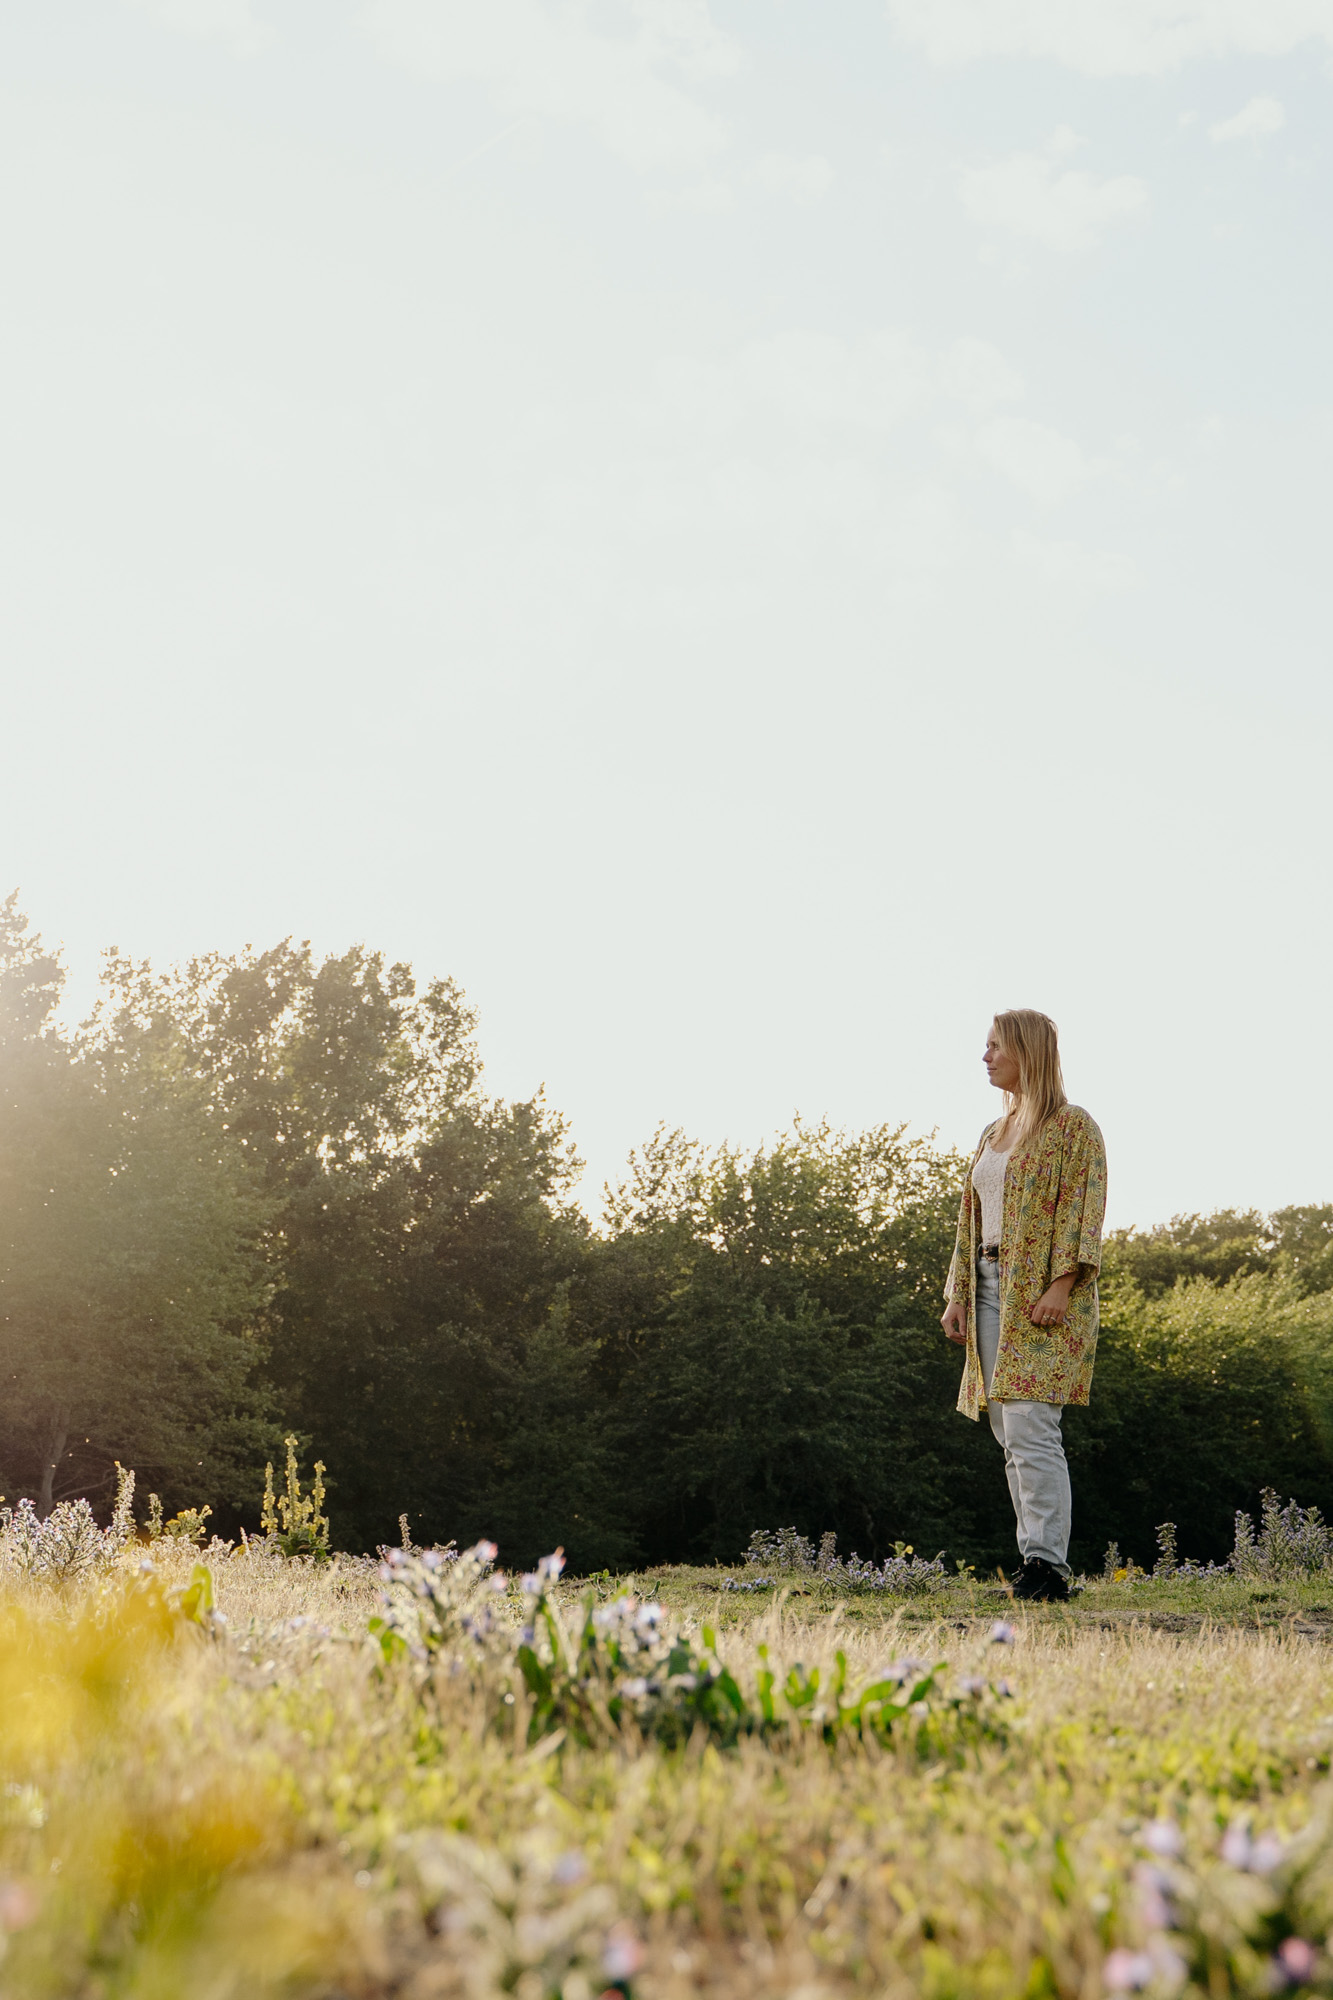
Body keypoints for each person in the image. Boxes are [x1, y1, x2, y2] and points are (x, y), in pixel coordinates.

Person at [940, 1009, 1107, 1603]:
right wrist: (958, 1294)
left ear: (1026, 1052)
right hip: (987, 1289)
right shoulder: (992, 1132)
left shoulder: (1072, 1127)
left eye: (994, 1047)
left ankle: (1048, 1567)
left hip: (1038, 1296)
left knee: (1035, 1427)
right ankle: (1032, 1560)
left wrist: (1062, 1283)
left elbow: (1083, 1212)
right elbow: (970, 1219)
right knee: (1009, 1432)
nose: (984, 1058)